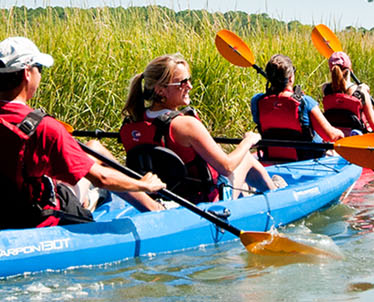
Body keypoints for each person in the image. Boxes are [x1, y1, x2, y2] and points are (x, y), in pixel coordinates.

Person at [0, 37, 165, 231]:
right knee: (90, 169)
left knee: (92, 150)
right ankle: (151, 207)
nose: (40, 76)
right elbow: (100, 178)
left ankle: (110, 199)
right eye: (40, 69)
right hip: (34, 220)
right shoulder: (45, 128)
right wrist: (143, 184)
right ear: (27, 73)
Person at [118, 54, 284, 203]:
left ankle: (254, 193)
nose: (189, 86)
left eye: (189, 80)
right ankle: (278, 197)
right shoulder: (186, 125)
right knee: (246, 157)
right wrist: (248, 141)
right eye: (182, 82)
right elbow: (226, 167)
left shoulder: (132, 125)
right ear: (161, 91)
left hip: (166, 199)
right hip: (207, 202)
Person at [250, 54, 345, 163]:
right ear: (290, 78)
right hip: (306, 159)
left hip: (272, 156)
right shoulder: (305, 102)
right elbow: (330, 136)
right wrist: (341, 134)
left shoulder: (257, 101)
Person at [319, 51, 374, 135]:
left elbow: (339, 91)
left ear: (331, 70)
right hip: (356, 139)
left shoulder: (325, 89)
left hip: (335, 136)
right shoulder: (360, 92)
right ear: (350, 69)